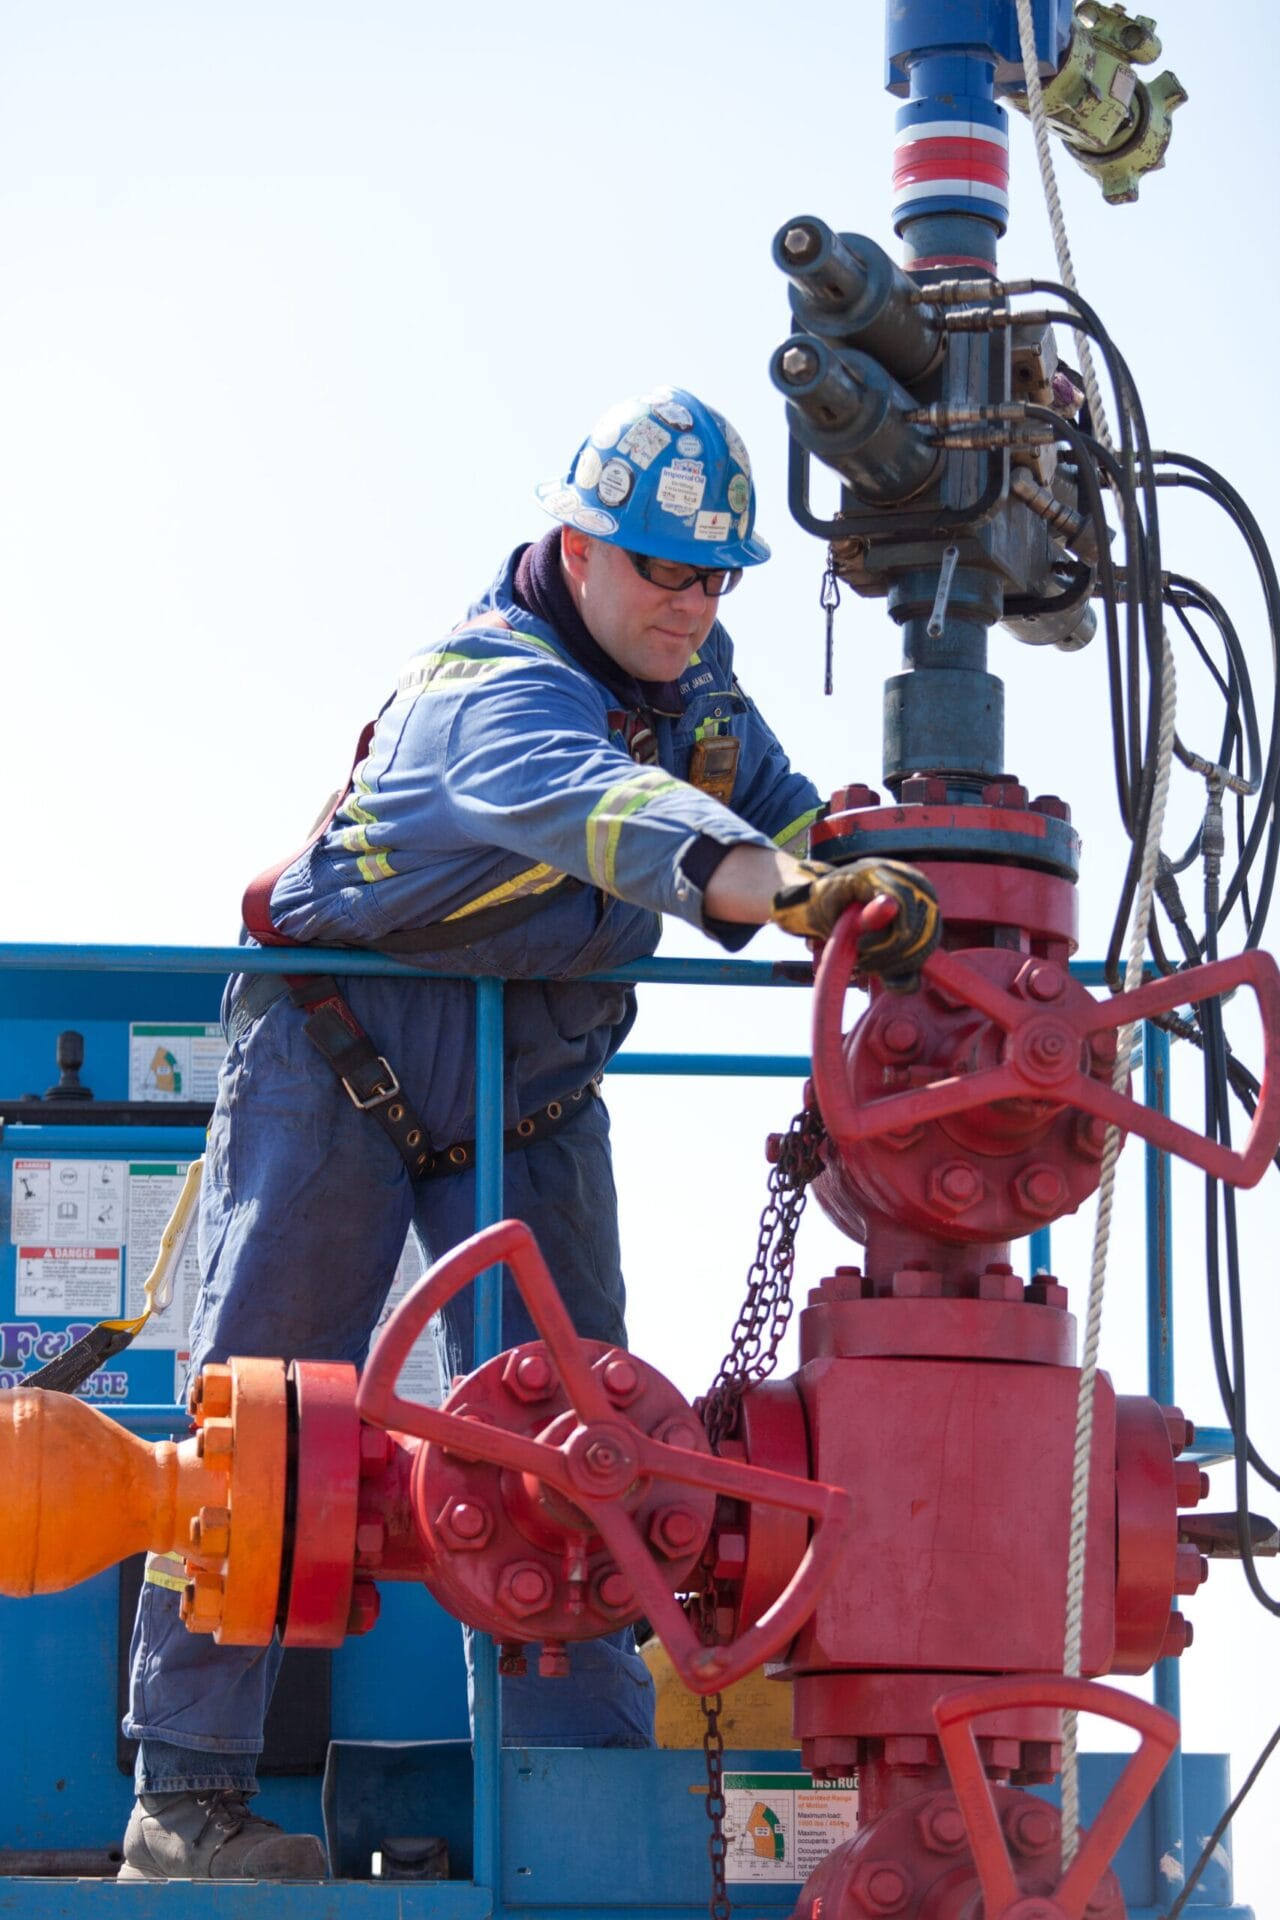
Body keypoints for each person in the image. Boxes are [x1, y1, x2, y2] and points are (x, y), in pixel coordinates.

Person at [119, 385, 938, 1881]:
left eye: (717, 578)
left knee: (586, 1432)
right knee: (264, 1420)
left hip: (536, 1087)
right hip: (342, 1060)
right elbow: (606, 814)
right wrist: (795, 892)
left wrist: (890, 878)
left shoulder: (696, 690)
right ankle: (187, 1799)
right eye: (666, 572)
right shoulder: (486, 693)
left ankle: (583, 1787)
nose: (694, 605)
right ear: (578, 550)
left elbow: (786, 812)